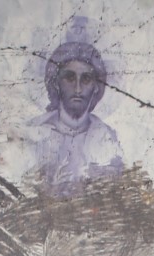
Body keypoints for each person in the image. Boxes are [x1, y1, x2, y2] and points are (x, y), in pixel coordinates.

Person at [32, 39, 123, 192]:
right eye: (70, 78)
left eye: (86, 79)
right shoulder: (35, 134)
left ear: (96, 87)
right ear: (56, 83)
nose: (78, 89)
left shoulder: (107, 138)